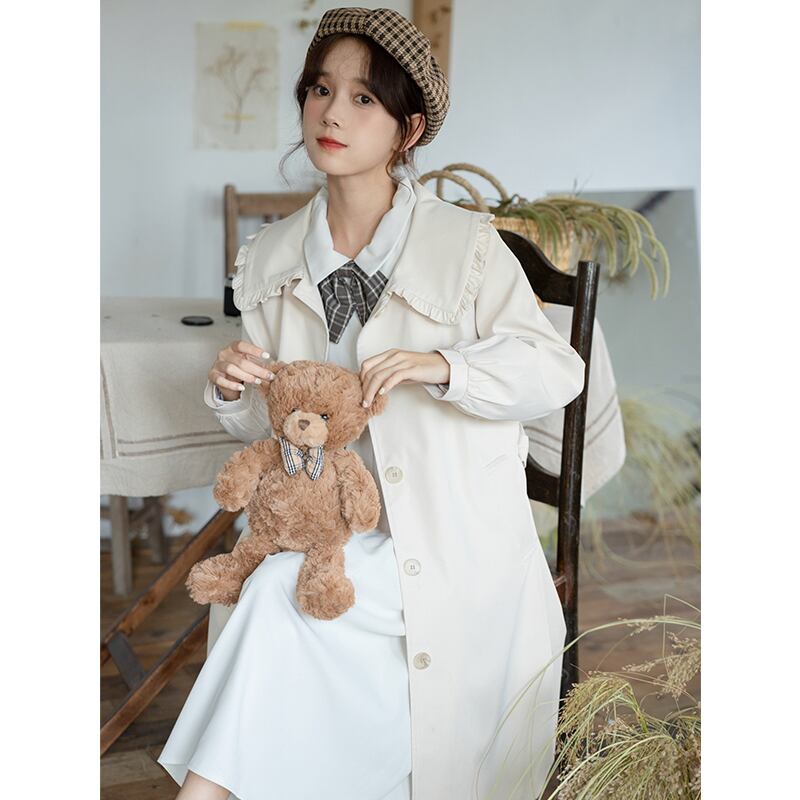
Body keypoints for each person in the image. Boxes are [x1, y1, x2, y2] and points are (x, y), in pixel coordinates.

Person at [158, 8, 586, 800]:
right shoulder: (269, 259)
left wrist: (444, 365)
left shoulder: (466, 245)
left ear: (407, 129)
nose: (332, 114)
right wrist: (230, 389)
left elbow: (555, 371)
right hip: (332, 537)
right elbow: (274, 430)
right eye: (320, 90)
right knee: (279, 596)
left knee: (273, 601)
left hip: (452, 540)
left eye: (363, 99)